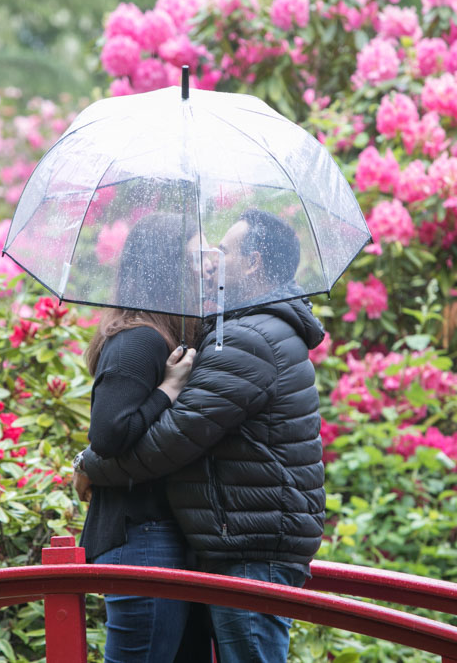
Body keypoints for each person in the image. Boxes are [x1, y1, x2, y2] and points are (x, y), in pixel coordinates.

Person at [75, 208, 327, 662]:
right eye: (201, 256)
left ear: (251, 263)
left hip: (251, 546)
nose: (212, 263)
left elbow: (173, 438)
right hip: (243, 539)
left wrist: (90, 466)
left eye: (221, 252)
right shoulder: (239, 331)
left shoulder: (250, 337)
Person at [77, 211, 203, 663]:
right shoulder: (140, 340)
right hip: (141, 536)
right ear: (167, 269)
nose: (202, 273)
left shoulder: (157, 335)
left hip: (151, 536)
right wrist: (169, 390)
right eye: (192, 262)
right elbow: (109, 434)